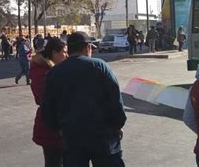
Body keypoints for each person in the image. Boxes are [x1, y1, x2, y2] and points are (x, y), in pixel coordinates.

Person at [42, 31, 127, 166]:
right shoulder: (100, 66)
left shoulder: (55, 72)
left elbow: (47, 106)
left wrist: (58, 128)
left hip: (72, 137)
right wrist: (117, 125)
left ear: (69, 49)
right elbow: (115, 100)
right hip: (103, 136)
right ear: (87, 47)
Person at [29, 38, 67, 167]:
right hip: (51, 124)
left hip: (55, 124)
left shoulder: (52, 69)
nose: (67, 56)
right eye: (64, 52)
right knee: (54, 161)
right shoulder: (44, 71)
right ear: (54, 53)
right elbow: (42, 97)